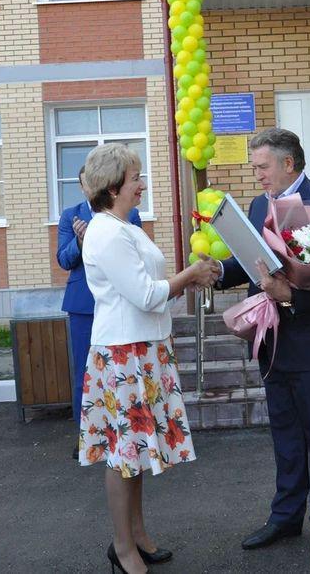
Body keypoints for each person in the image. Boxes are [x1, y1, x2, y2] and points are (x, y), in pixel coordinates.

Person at [78, 144, 219, 574]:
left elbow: (154, 282)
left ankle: (136, 536)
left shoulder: (125, 226)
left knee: (135, 451)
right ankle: (122, 548)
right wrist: (189, 277)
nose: (141, 184)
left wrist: (186, 277)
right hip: (124, 353)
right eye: (135, 178)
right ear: (114, 185)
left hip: (145, 349)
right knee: (124, 453)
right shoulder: (106, 231)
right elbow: (144, 294)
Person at [215, 128, 310, 567]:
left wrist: (289, 294)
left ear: (288, 163)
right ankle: (286, 516)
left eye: (262, 166)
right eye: (255, 167)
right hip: (273, 342)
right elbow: (253, 259)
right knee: (286, 437)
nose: (257, 175)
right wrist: (217, 270)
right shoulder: (257, 205)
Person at [57, 164, 142, 457]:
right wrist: (80, 242)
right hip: (84, 306)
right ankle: (87, 437)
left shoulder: (129, 212)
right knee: (85, 370)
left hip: (119, 302)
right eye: (84, 184)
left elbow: (137, 250)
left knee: (121, 370)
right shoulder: (71, 215)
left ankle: (124, 431)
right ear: (83, 187)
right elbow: (63, 260)